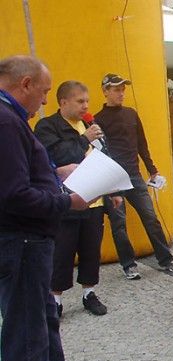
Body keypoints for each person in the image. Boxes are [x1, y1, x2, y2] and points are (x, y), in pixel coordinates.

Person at [0, 55, 96, 361]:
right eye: (42, 92)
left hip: (29, 241)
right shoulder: (6, 122)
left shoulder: (11, 119)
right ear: (24, 84)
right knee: (26, 331)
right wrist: (64, 200)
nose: (44, 101)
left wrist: (54, 180)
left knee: (43, 321)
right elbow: (13, 194)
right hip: (20, 240)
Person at [34, 80, 122, 317]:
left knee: (91, 250)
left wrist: (114, 190)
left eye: (87, 101)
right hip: (65, 201)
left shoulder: (89, 124)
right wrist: (84, 139)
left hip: (94, 201)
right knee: (62, 252)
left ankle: (89, 293)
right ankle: (55, 299)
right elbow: (57, 157)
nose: (86, 106)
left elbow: (104, 157)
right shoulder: (47, 126)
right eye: (80, 101)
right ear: (63, 102)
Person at [95, 73, 173, 279]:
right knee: (119, 224)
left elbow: (142, 144)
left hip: (134, 175)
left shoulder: (131, 114)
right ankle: (128, 265)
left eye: (122, 89)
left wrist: (152, 168)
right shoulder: (98, 120)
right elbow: (99, 152)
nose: (121, 93)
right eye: (116, 90)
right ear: (105, 91)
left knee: (150, 218)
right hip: (112, 179)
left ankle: (166, 259)